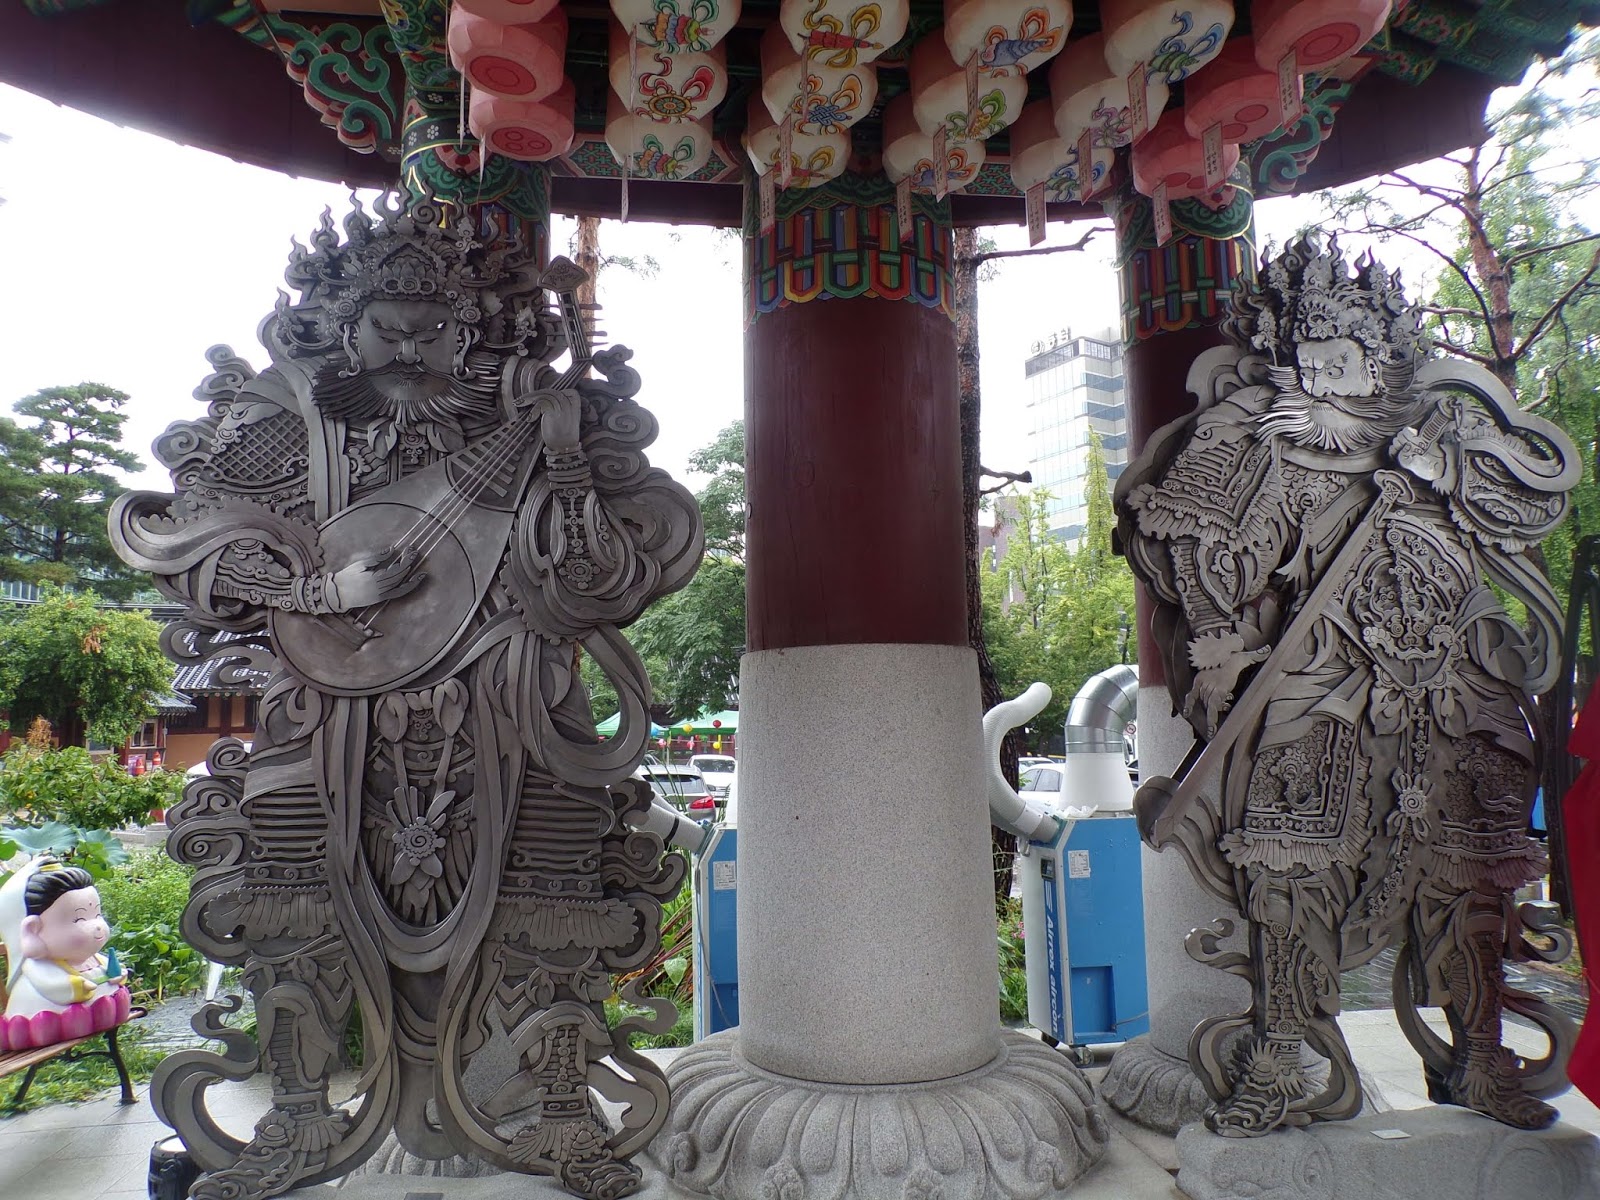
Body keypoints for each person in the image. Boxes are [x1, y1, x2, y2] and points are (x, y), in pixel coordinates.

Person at [112, 196, 702, 1199]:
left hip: (507, 709)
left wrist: (562, 457)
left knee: (551, 902)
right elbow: (185, 533)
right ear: (343, 324)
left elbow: (615, 569)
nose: (411, 344)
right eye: (387, 322)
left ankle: (557, 1115)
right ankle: (300, 1118)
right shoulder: (284, 417)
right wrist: (309, 590)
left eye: (436, 328)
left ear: (475, 332)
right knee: (291, 905)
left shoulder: (526, 421)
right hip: (332, 713)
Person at [1119, 236, 1578, 1136]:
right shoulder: (1248, 434)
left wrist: (1442, 470)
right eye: (1311, 354)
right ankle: (1286, 1053)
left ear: (1385, 354)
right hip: (1325, 678)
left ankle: (1478, 1053)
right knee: (1289, 855)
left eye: (1349, 353)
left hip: (1458, 677)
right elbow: (1184, 547)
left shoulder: (1447, 427)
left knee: (1476, 865)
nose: (1328, 373)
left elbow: (1536, 501)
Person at [0, 856, 130, 1050]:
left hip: (95, 1010)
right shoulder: (38, 967)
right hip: (48, 1019)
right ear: (33, 929)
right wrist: (73, 987)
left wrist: (116, 972)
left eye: (96, 915)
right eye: (78, 919)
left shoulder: (89, 958)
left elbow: (106, 968)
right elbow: (51, 983)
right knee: (55, 1020)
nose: (97, 926)